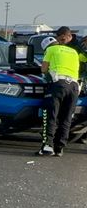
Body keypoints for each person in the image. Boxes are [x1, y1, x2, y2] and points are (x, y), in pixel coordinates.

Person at [37, 26, 87, 156]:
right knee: (66, 118)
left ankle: (47, 146)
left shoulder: (51, 49)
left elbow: (43, 69)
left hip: (59, 85)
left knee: (51, 116)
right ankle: (60, 148)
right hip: (74, 87)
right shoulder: (74, 52)